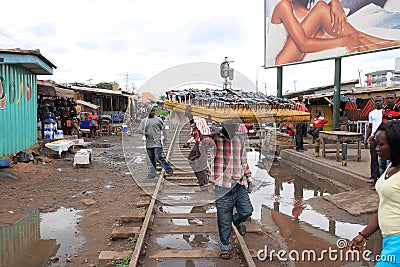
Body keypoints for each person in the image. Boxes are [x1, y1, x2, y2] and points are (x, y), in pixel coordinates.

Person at [266, 0, 400, 66]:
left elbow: (326, 27)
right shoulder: (283, 5)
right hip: (279, 61)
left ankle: (380, 43)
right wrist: (344, 41)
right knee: (321, 9)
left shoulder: (305, 9)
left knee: (322, 10)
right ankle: (376, 44)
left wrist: (334, 2)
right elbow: (303, 45)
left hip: (295, 52)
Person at [350, 120, 400, 266]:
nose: (376, 148)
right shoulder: (391, 166)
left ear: (396, 145)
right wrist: (363, 235)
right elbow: (386, 206)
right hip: (389, 239)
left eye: (381, 145)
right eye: (376, 143)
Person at [202, 123, 253, 259]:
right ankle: (225, 246)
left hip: (238, 184)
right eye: (232, 126)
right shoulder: (214, 139)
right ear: (224, 126)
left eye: (236, 126)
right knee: (224, 219)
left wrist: (248, 178)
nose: (235, 128)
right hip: (222, 186)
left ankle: (236, 221)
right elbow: (199, 138)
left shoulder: (240, 139)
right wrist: (192, 121)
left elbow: (243, 160)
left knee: (247, 211)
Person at [138, 106, 173, 178]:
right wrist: (144, 133)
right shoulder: (144, 121)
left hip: (157, 142)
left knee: (158, 157)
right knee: (151, 159)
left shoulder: (158, 120)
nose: (153, 112)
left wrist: (165, 138)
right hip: (149, 143)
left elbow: (163, 129)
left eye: (153, 111)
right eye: (151, 111)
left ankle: (169, 169)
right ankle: (152, 174)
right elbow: (140, 130)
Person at [379, 91, 400, 175]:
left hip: (392, 142)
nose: (389, 100)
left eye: (391, 98)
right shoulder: (383, 111)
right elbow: (381, 123)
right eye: (387, 98)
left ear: (395, 99)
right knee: (381, 163)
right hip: (383, 141)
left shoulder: (398, 111)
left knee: (389, 164)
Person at [365, 96, 384, 184]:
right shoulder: (371, 113)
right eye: (376, 101)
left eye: (380, 101)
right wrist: (366, 138)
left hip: (384, 139)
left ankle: (382, 178)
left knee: (384, 159)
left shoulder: (385, 112)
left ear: (383, 102)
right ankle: (374, 177)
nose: (378, 102)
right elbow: (370, 126)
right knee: (374, 158)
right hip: (374, 139)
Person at [187, 122, 209, 191]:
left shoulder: (198, 119)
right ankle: (202, 179)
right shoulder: (193, 120)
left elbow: (203, 132)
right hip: (197, 143)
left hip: (201, 143)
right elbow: (195, 134)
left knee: (200, 165)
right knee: (191, 159)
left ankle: (204, 185)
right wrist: (189, 142)